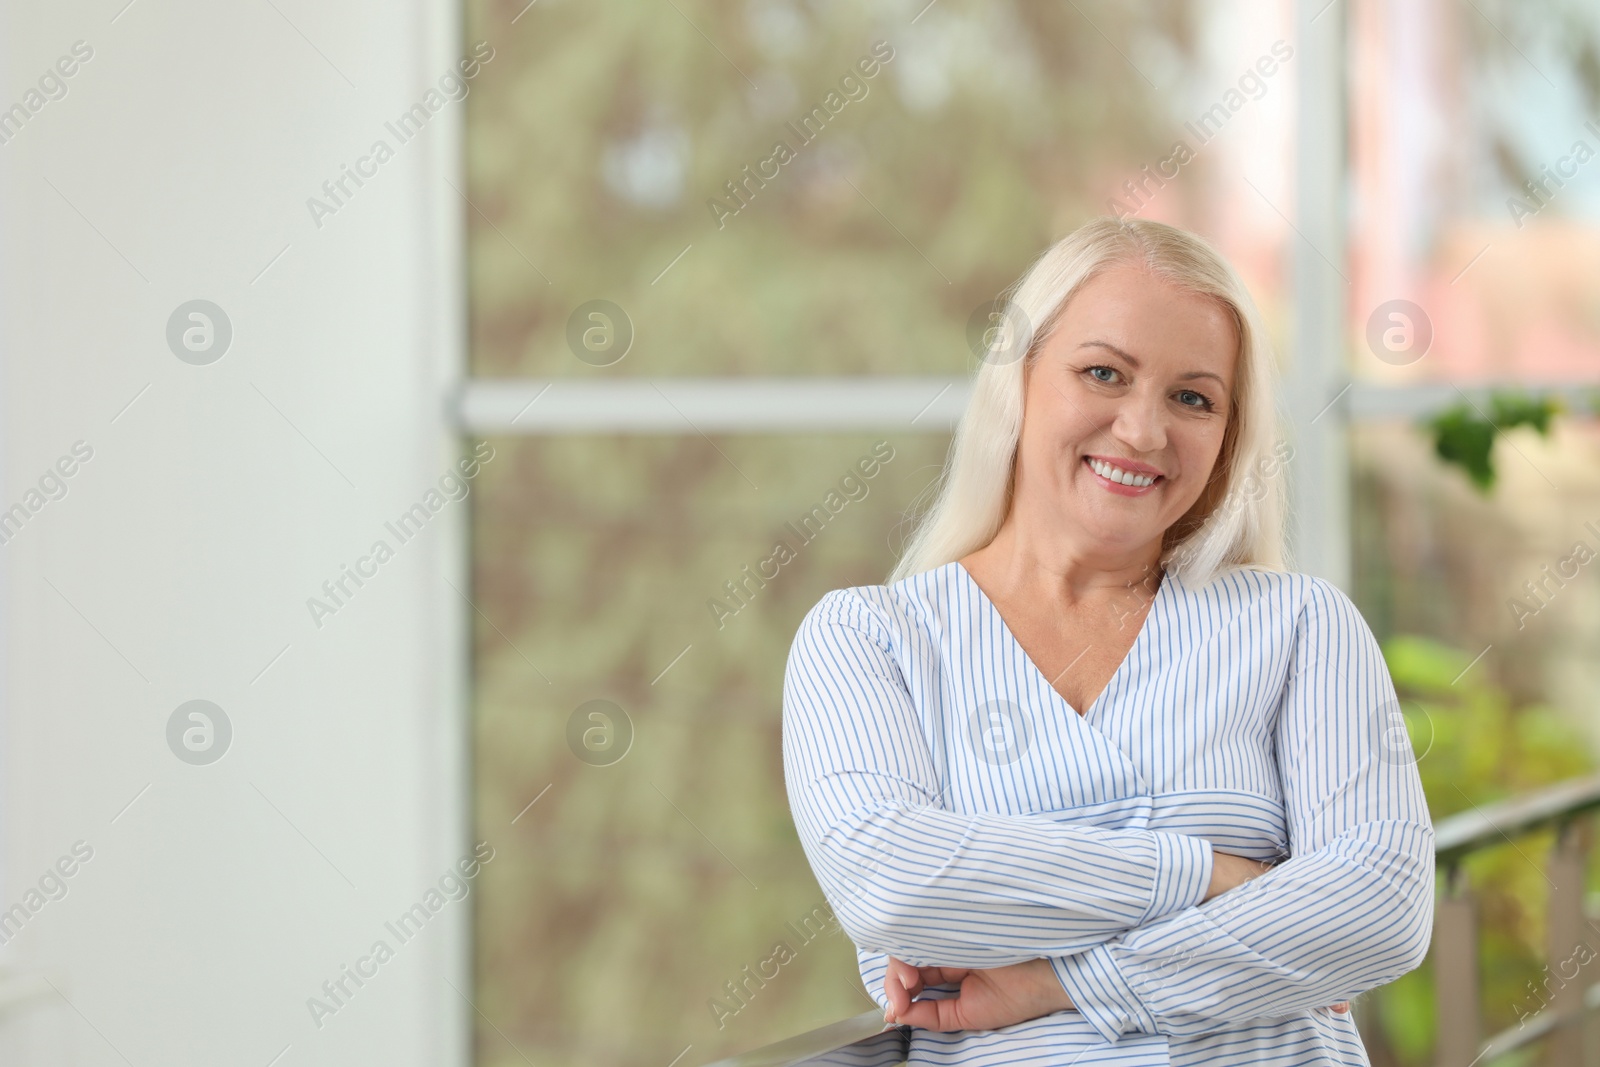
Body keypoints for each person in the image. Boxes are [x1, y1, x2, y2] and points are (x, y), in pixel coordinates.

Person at [780, 216, 1435, 1065]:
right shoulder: (870, 640)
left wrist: (1063, 979)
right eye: (1103, 373)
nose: (1142, 431)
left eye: (1192, 397)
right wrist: (1216, 877)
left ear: (1228, 439)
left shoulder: (1301, 625)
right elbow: (896, 885)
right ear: (1018, 380)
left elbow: (1381, 905)